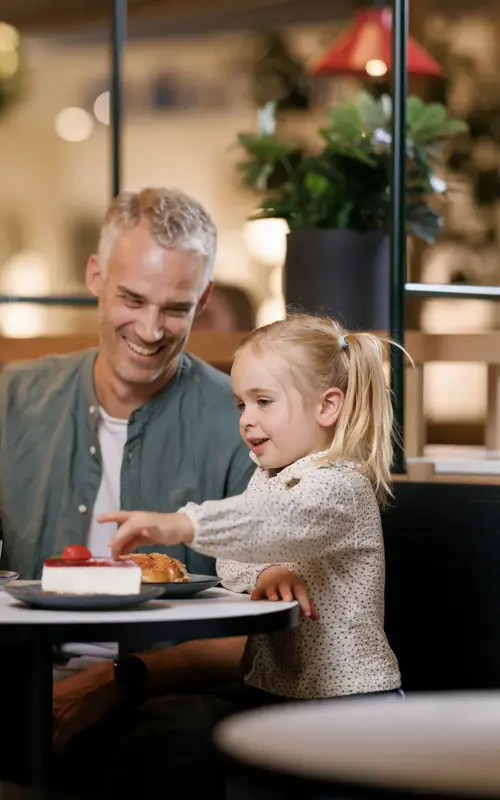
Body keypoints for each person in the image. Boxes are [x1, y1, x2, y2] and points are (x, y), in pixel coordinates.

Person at [0, 187, 315, 789]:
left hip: (166, 690)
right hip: (21, 673)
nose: (150, 329)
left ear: (204, 299)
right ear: (95, 275)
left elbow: (269, 629)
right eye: (132, 298)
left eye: (175, 307)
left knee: (177, 743)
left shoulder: (244, 426)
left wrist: (117, 679)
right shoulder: (15, 400)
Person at [102, 314, 404, 796]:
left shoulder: (341, 485)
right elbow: (235, 561)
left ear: (328, 406)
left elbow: (271, 524)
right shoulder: (267, 478)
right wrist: (269, 566)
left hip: (348, 706)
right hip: (276, 693)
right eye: (241, 402)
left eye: (264, 401)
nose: (246, 418)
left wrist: (183, 524)